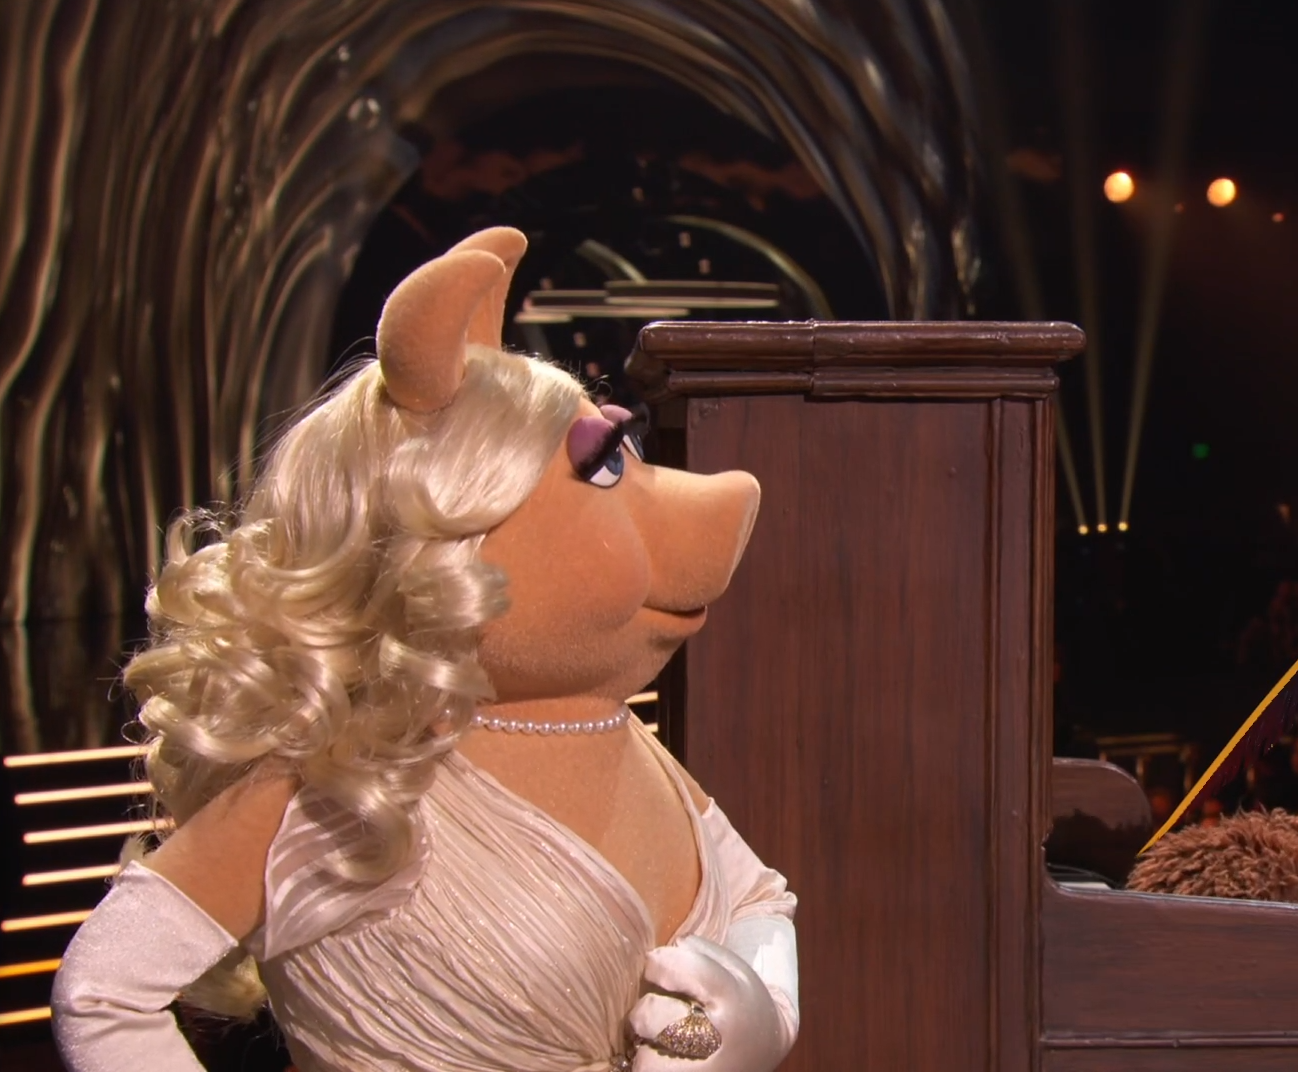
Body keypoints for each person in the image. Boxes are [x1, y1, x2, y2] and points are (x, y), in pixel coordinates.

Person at [50, 229, 800, 1072]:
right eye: (603, 470)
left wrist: (764, 1012)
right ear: (446, 536)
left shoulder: (629, 747)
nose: (725, 497)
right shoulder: (339, 786)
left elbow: (760, 898)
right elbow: (105, 992)